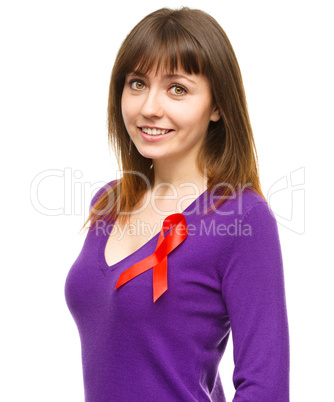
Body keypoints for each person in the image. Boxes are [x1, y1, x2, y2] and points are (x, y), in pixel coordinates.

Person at [64, 7, 289, 401]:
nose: (149, 107)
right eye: (137, 83)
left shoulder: (243, 218)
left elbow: (265, 388)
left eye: (177, 89)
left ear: (217, 106)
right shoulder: (110, 201)